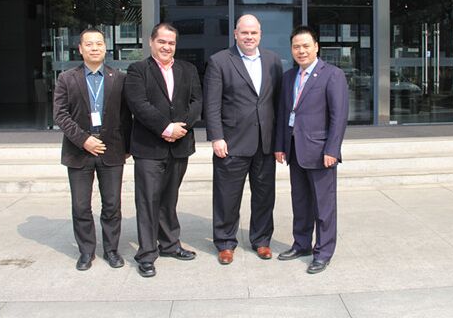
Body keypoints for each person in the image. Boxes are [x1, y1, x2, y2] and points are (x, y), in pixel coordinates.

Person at [124, 23, 202, 278]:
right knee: (148, 201)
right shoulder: (138, 70)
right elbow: (139, 104)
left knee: (169, 199)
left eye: (171, 43)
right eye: (162, 42)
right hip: (149, 147)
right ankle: (147, 254)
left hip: (179, 146)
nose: (167, 47)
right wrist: (166, 128)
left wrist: (182, 127)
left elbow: (196, 102)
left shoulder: (188, 69)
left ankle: (169, 244)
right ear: (151, 42)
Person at [204, 14, 283, 265]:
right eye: (244, 32)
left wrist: (280, 141)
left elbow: (277, 103)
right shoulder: (219, 61)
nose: (249, 37)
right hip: (231, 142)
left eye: (254, 33)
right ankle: (225, 243)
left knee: (264, 196)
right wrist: (217, 137)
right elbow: (212, 104)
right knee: (227, 197)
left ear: (260, 34)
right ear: (235, 34)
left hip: (265, 142)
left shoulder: (273, 60)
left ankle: (261, 240)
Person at [53, 28, 132, 271]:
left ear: (105, 47)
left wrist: (127, 147)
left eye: (99, 43)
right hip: (79, 150)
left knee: (112, 205)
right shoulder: (67, 78)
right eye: (89, 44)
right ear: (80, 49)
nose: (94, 48)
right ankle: (86, 251)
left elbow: (126, 116)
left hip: (111, 150)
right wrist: (84, 140)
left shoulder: (119, 78)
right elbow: (60, 115)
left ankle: (111, 250)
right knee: (80, 206)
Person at [274, 25, 348, 274]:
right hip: (295, 149)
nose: (301, 51)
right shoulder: (288, 77)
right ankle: (301, 244)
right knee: (301, 202)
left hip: (320, 152)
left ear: (316, 47)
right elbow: (284, 113)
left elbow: (339, 116)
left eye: (306, 46)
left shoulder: (332, 75)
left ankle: (323, 252)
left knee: (324, 207)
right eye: (296, 47)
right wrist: (280, 145)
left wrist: (332, 150)